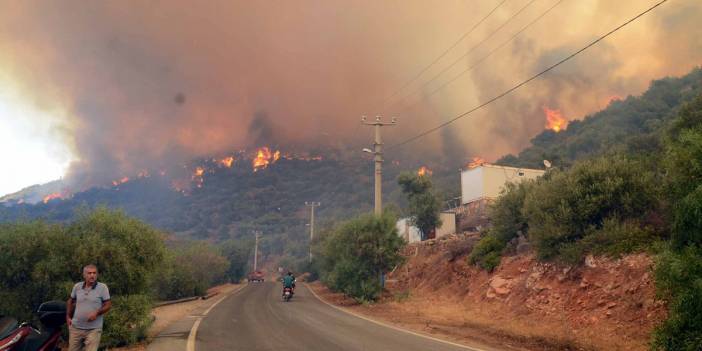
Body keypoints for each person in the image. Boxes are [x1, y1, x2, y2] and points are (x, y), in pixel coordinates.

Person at [66, 264, 112, 351]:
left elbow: (108, 304)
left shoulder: (102, 287)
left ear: (97, 275)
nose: (92, 275)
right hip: (76, 328)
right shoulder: (77, 286)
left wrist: (97, 313)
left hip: (93, 329)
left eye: (94, 273)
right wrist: (68, 316)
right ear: (84, 275)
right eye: (89, 273)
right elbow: (70, 301)